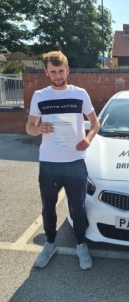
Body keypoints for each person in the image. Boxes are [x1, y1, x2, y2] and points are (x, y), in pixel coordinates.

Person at [26, 51, 100, 270]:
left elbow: (95, 123)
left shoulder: (81, 94)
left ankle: (80, 244)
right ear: (46, 72)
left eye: (61, 71)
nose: (58, 76)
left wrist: (88, 138)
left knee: (78, 207)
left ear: (67, 70)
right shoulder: (40, 96)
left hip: (75, 161)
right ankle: (50, 244)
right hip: (49, 162)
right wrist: (39, 129)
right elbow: (29, 127)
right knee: (48, 208)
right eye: (53, 72)